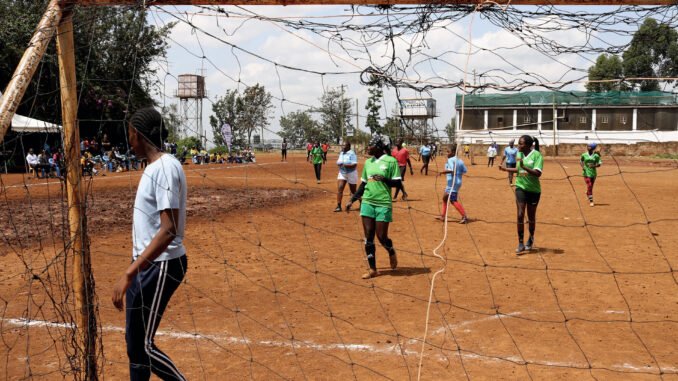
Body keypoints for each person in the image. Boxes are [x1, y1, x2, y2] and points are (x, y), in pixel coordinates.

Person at [111, 107, 187, 381]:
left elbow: (169, 230)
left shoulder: (165, 168)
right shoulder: (154, 168)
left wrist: (130, 273)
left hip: (162, 264)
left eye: (130, 135)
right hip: (146, 263)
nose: (129, 142)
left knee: (142, 346)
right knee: (135, 346)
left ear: (139, 135)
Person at [345, 133, 401, 279]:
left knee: (381, 236)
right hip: (368, 202)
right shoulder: (368, 163)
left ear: (378, 147)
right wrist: (352, 200)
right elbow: (363, 184)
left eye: (370, 145)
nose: (368, 147)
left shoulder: (390, 161)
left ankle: (390, 250)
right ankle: (372, 268)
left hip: (383, 203)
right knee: (368, 236)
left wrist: (385, 179)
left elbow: (397, 183)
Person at [499, 135, 543, 253]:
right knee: (519, 214)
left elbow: (538, 173)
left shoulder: (537, 155)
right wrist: (506, 169)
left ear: (528, 145)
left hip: (534, 190)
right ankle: (520, 243)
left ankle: (531, 239)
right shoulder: (519, 154)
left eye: (521, 144)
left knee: (531, 217)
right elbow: (519, 170)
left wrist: (524, 167)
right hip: (520, 187)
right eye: (519, 143)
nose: (518, 146)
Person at [438, 144, 468, 223]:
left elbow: (451, 170)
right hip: (455, 183)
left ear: (453, 152)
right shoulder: (460, 160)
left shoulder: (451, 160)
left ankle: (464, 216)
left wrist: (442, 172)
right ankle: (443, 216)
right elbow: (465, 170)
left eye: (448, 152)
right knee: (445, 198)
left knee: (453, 200)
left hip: (453, 184)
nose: (447, 153)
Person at [334, 141, 358, 212]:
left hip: (351, 173)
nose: (342, 147)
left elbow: (354, 165)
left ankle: (361, 203)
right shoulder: (341, 153)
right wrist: (340, 164)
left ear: (348, 146)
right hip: (342, 173)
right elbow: (338, 161)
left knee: (353, 191)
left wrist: (344, 165)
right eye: (342, 145)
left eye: (344, 145)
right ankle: (338, 206)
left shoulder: (352, 153)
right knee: (340, 189)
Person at [580, 142, 602, 207]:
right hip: (586, 173)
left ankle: (588, 192)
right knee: (589, 185)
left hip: (593, 173)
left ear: (592, 148)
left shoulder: (596, 156)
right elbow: (581, 161)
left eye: (589, 146)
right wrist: (583, 167)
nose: (588, 147)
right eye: (588, 146)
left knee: (591, 186)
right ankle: (591, 201)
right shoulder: (584, 155)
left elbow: (599, 164)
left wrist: (593, 166)